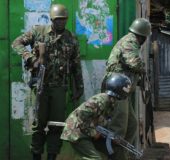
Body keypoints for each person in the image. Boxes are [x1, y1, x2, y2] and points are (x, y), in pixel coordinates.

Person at [12, 4, 84, 160]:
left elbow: (76, 65)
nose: (61, 23)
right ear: (51, 19)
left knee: (56, 125)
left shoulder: (71, 39)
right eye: (58, 20)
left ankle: (52, 156)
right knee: (38, 125)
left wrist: (79, 87)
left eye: (64, 20)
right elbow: (16, 43)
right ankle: (36, 155)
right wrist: (30, 58)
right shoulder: (38, 32)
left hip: (59, 88)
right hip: (40, 87)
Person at [102, 18, 151, 160]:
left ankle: (123, 155)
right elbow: (134, 63)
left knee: (131, 125)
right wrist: (143, 69)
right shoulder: (130, 42)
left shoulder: (133, 42)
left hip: (123, 92)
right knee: (119, 126)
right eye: (145, 37)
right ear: (142, 35)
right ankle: (113, 156)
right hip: (116, 91)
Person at [61, 73, 132, 160]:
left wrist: (109, 136)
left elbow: (99, 121)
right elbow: (79, 118)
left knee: (117, 149)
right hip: (77, 133)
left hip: (88, 133)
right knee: (95, 158)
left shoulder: (111, 102)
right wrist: (94, 133)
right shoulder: (101, 100)